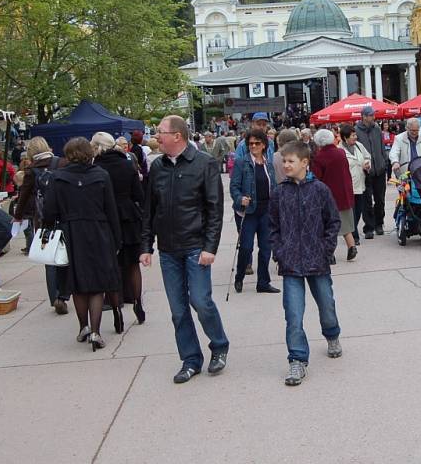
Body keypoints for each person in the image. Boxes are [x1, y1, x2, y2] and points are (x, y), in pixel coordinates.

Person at [140, 115, 228, 384]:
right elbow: (149, 209)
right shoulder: (157, 167)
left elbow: (215, 209)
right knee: (178, 310)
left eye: (161, 132)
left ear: (177, 135)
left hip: (195, 246)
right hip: (168, 249)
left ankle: (219, 345)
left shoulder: (204, 164)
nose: (157, 137)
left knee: (201, 301)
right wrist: (146, 246)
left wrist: (210, 246)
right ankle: (190, 359)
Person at [269, 140, 342, 386]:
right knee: (293, 314)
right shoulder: (279, 192)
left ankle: (332, 334)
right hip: (290, 264)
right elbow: (273, 226)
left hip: (317, 261)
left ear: (304, 163)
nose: (286, 165)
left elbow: (333, 222)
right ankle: (297, 359)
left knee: (326, 305)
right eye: (284, 161)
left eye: (291, 161)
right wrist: (279, 250)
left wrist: (326, 248)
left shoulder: (320, 190)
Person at [42, 137, 121, 350]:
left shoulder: (58, 178)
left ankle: (83, 326)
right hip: (98, 230)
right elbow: (111, 209)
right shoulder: (101, 175)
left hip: (71, 231)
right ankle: (96, 331)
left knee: (77, 282)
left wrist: (49, 228)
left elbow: (49, 211)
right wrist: (116, 238)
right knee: (97, 283)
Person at [92, 132, 146, 329]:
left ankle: (116, 311)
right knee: (133, 265)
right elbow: (139, 194)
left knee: (112, 267)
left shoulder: (95, 168)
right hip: (129, 216)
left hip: (106, 219)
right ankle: (138, 302)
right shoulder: (126, 164)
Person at [14, 136, 71, 314]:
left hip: (44, 219)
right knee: (66, 256)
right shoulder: (63, 163)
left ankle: (54, 297)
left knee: (49, 259)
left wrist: (17, 217)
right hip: (65, 216)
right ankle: (64, 294)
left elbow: (24, 197)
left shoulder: (31, 171)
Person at [230, 128, 280, 294]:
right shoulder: (241, 162)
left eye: (257, 143)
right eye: (250, 143)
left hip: (266, 211)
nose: (253, 146)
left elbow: (273, 185)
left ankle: (263, 282)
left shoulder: (268, 163)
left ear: (264, 145)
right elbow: (234, 187)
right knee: (246, 247)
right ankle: (239, 276)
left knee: (266, 248)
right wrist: (239, 198)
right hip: (248, 212)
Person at [312, 129, 357, 262]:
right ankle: (352, 247)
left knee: (327, 226)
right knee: (346, 224)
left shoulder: (319, 158)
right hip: (344, 192)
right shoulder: (341, 152)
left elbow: (316, 178)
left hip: (328, 195)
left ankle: (330, 254)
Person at [355, 107, 388, 239]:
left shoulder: (377, 129)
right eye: (370, 116)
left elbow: (381, 146)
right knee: (366, 201)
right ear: (363, 116)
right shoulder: (356, 131)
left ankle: (379, 223)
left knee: (380, 199)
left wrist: (384, 162)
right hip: (366, 171)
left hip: (379, 169)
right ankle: (368, 227)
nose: (373, 118)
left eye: (373, 115)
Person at [339, 124, 371, 247]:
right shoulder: (340, 150)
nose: (355, 137)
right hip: (348, 186)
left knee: (358, 211)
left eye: (355, 135)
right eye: (353, 136)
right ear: (345, 138)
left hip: (360, 184)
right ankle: (354, 236)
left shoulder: (359, 146)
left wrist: (367, 164)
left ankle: (352, 232)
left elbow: (367, 156)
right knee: (351, 212)